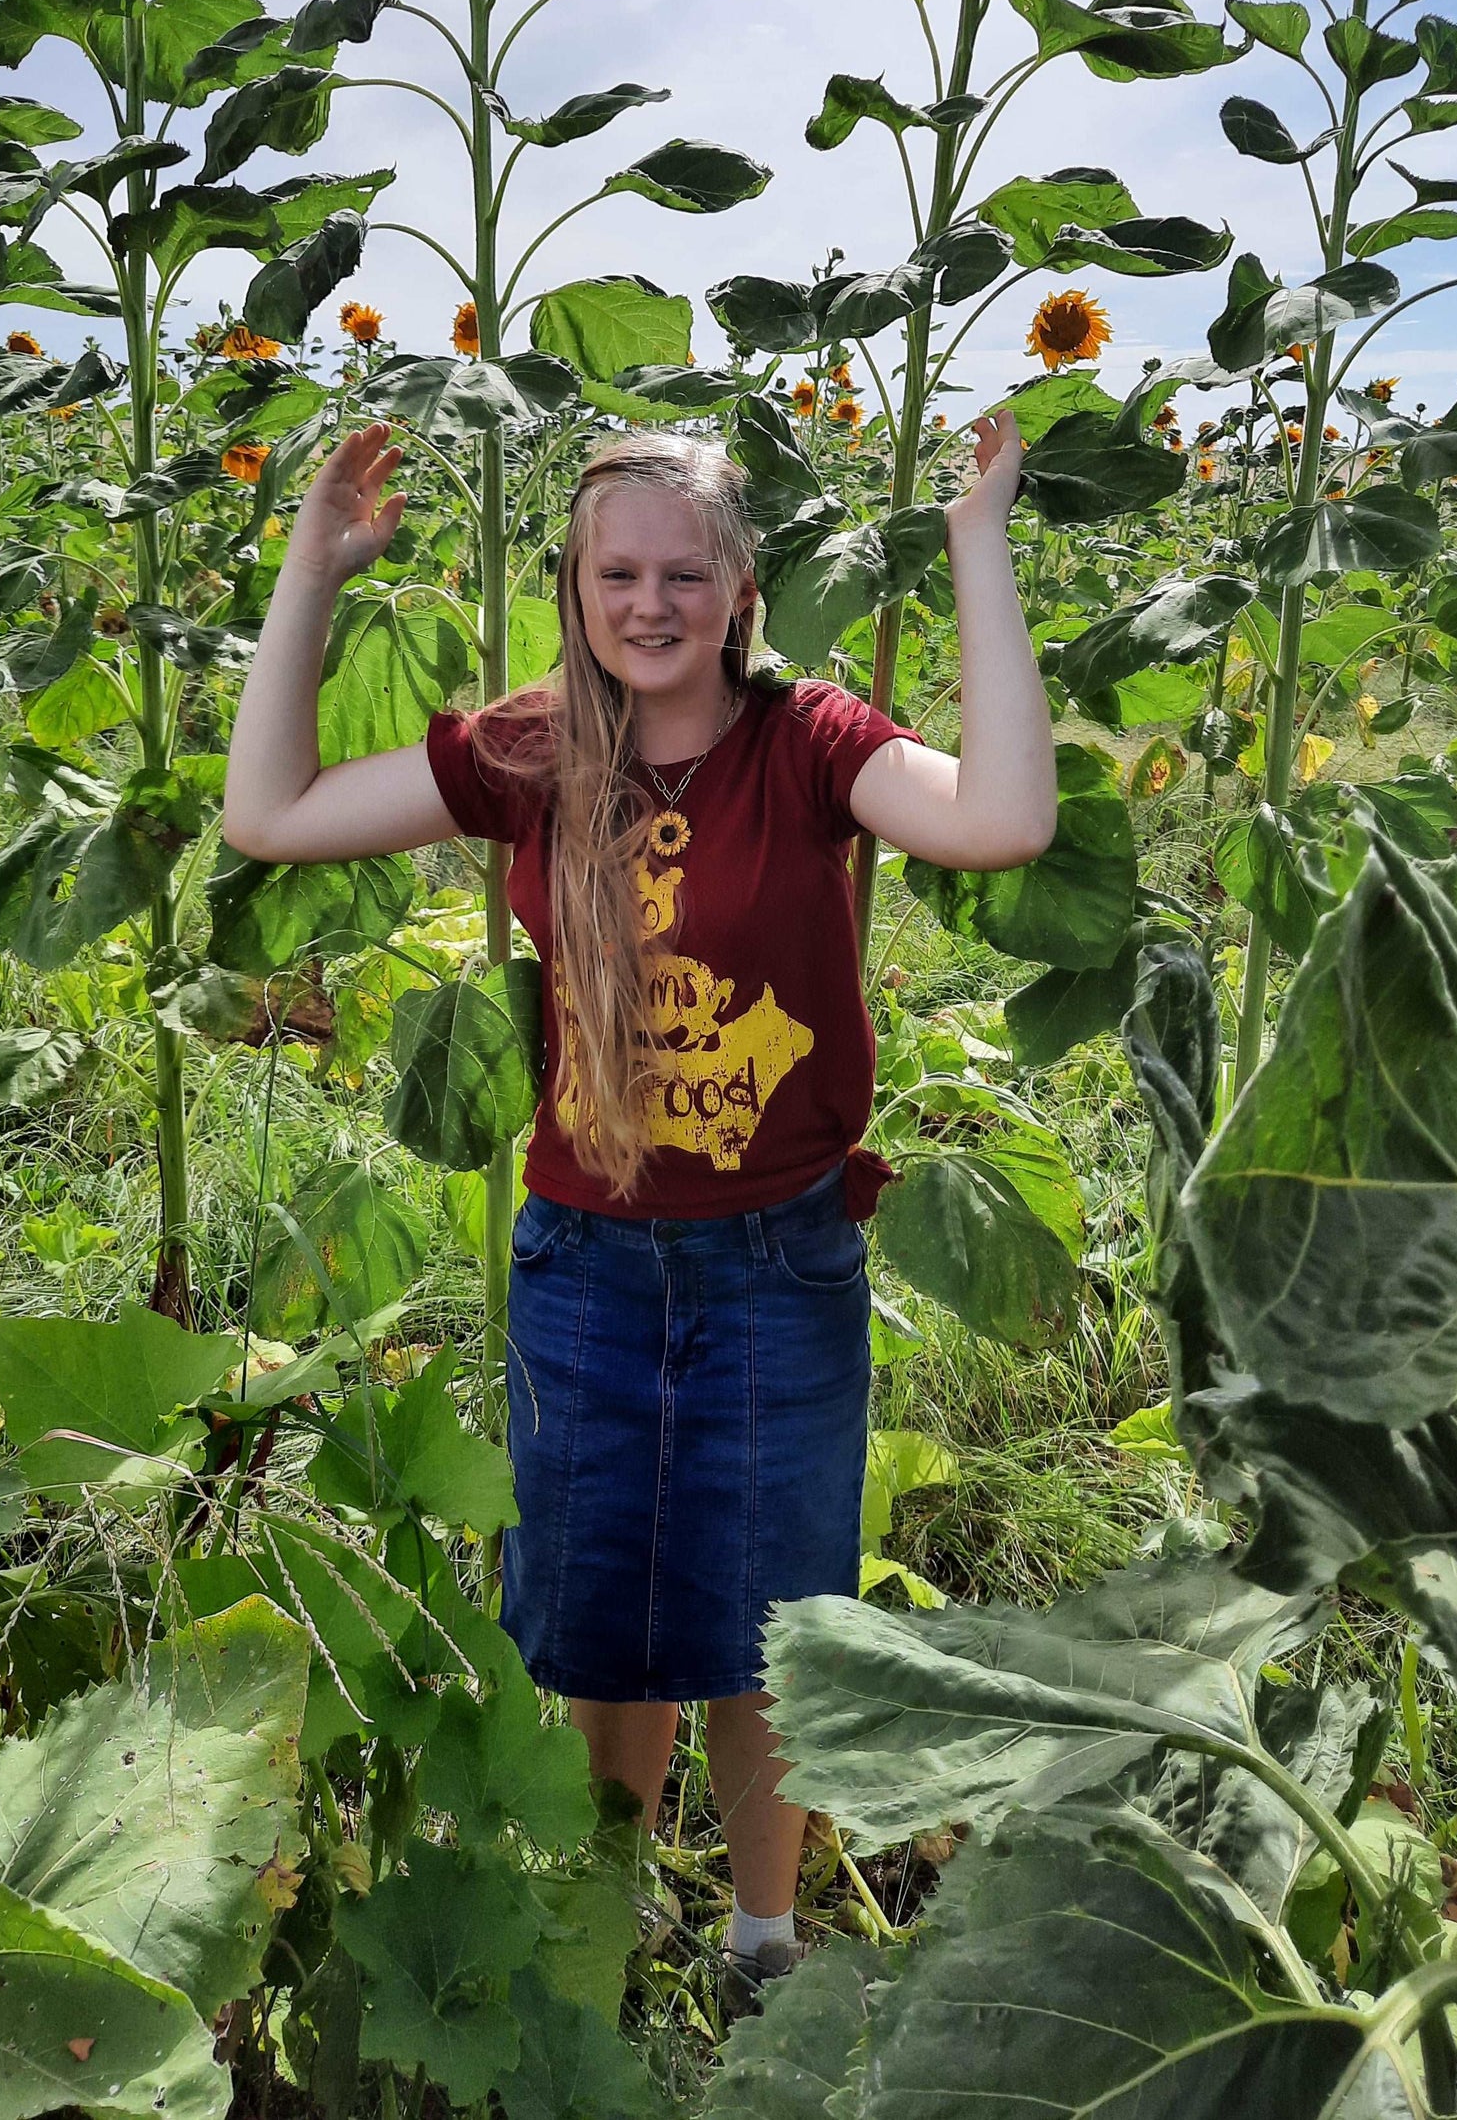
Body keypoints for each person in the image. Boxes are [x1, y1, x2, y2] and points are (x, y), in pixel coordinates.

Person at [225, 412, 1057, 2006]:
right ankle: (614, 1913)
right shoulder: (533, 749)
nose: (651, 604)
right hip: (584, 1259)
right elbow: (269, 815)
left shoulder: (807, 741)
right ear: (577, 583)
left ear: (742, 585)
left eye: (686, 572)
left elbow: (1002, 822)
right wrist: (309, 578)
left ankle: (758, 1937)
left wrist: (975, 543)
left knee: (768, 1627)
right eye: (619, 573)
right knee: (603, 1616)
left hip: (773, 1257)